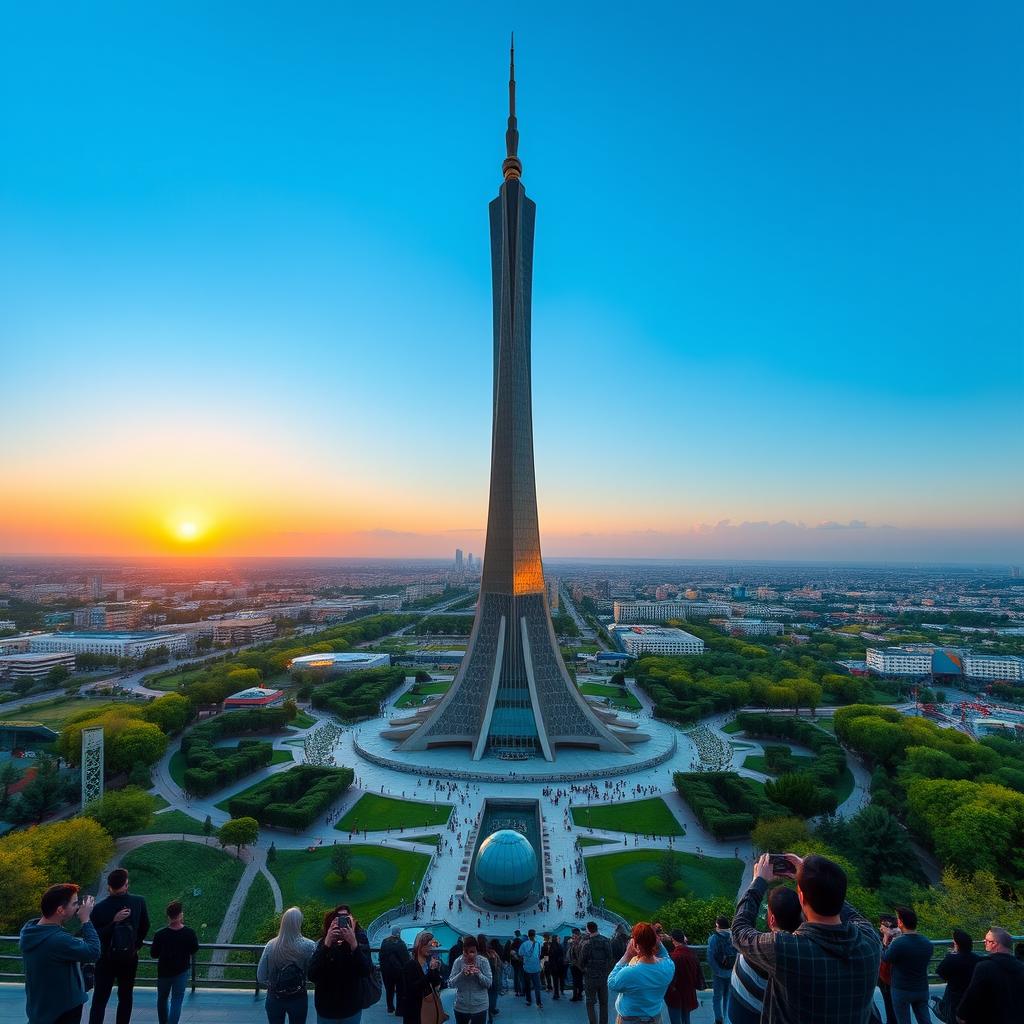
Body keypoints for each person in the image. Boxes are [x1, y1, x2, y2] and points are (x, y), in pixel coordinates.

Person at [730, 853, 881, 1024]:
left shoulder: (788, 949)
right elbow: (849, 912)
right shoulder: (871, 940)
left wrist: (758, 881)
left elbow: (739, 931)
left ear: (801, 897)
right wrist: (813, 880)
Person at [20, 883, 100, 1024]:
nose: (78, 907)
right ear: (60, 910)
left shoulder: (31, 930)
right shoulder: (57, 940)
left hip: (41, 1006)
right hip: (63, 1010)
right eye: (75, 903)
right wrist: (86, 920)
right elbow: (93, 952)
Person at [728, 887, 801, 1024]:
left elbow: (739, 927)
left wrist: (758, 881)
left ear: (771, 919)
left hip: (748, 1015)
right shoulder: (808, 949)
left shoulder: (761, 948)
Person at [89, 868, 151, 1024]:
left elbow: (95, 935)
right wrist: (136, 946)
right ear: (126, 884)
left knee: (99, 1000)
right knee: (125, 997)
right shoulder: (138, 902)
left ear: (109, 886)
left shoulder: (99, 908)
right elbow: (145, 926)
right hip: (129, 958)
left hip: (105, 959)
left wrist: (112, 923)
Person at [307, 904, 372, 1024]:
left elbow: (366, 971)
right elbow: (312, 974)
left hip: (351, 1009)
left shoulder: (360, 940)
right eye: (338, 918)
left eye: (346, 919)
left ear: (353, 922)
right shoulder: (324, 942)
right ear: (333, 922)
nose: (343, 924)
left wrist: (353, 944)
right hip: (326, 1010)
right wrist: (327, 944)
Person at [258, 907, 316, 1024]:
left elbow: (261, 976)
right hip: (298, 998)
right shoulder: (309, 946)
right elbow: (312, 975)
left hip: (275, 997)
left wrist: (274, 984)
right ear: (299, 923)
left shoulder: (271, 945)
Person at [607, 922, 674, 1024]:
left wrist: (627, 955)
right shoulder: (668, 965)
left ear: (635, 944)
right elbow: (664, 954)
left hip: (629, 1019)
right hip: (655, 1018)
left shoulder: (630, 972)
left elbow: (611, 983)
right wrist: (652, 937)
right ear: (656, 941)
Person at [955, 926, 1024, 1024]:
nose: (984, 942)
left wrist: (961, 1015)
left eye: (987, 940)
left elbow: (971, 997)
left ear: (995, 944)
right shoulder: (1020, 967)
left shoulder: (984, 967)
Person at [881, 906, 933, 1024]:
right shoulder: (927, 943)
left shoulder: (898, 943)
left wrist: (885, 938)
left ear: (901, 922)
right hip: (921, 988)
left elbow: (885, 957)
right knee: (925, 1020)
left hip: (901, 989)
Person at [150, 901, 199, 1024]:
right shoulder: (189, 933)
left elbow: (154, 954)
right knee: (177, 1000)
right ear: (181, 915)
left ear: (168, 916)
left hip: (164, 972)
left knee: (162, 999)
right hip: (181, 972)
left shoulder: (160, 934)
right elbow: (194, 949)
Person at [935, 930, 979, 1024]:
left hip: (954, 999)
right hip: (972, 999)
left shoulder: (952, 959)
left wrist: (952, 954)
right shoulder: (977, 959)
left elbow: (940, 972)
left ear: (957, 945)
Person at [400, 931, 444, 1024]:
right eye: (428, 946)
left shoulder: (429, 963)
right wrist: (430, 973)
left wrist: (436, 970)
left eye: (431, 946)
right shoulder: (410, 965)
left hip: (428, 1009)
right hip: (415, 1012)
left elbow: (436, 983)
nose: (430, 948)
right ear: (420, 946)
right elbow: (413, 988)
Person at [448, 936, 493, 1024]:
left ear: (477, 951)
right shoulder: (458, 962)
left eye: (472, 952)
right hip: (461, 1007)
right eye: (466, 952)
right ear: (463, 951)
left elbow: (489, 984)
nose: (469, 955)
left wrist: (479, 974)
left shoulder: (483, 961)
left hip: (479, 1007)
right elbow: (450, 984)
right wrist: (461, 974)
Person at [663, 930, 702, 1024]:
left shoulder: (673, 957)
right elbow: (698, 975)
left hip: (675, 996)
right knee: (686, 1019)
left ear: (673, 940)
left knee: (676, 1020)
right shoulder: (692, 954)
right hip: (688, 993)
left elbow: (670, 978)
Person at [581, 921, 614, 1024]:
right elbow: (610, 958)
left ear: (588, 930)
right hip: (603, 977)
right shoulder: (606, 941)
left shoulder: (587, 944)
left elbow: (582, 961)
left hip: (590, 977)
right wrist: (606, 972)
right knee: (603, 1003)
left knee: (590, 1003)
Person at [706, 915, 736, 1024]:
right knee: (727, 995)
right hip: (731, 972)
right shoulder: (734, 936)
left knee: (717, 997)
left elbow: (710, 957)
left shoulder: (714, 938)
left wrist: (717, 971)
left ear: (718, 926)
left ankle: (719, 1019)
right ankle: (727, 1019)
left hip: (719, 974)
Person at [378, 927, 410, 1015]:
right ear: (399, 933)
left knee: (389, 990)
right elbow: (406, 959)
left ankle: (390, 1008)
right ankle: (399, 1010)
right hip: (399, 972)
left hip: (386, 971)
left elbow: (381, 956)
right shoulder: (401, 944)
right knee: (400, 991)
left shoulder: (384, 942)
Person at [479, 935, 502, 1022]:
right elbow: (499, 965)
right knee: (492, 995)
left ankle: (488, 1012)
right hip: (492, 978)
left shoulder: (476, 954)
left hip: (482, 979)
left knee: (486, 996)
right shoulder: (492, 953)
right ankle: (491, 1011)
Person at [518, 929, 543, 1008]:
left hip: (527, 968)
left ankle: (529, 1000)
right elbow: (539, 955)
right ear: (534, 935)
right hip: (536, 968)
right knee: (537, 986)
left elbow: (520, 954)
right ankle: (538, 1002)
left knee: (528, 985)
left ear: (528, 935)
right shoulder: (538, 944)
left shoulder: (524, 944)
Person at [568, 928, 585, 1001]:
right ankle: (579, 995)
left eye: (573, 934)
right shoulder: (581, 941)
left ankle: (576, 996)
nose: (572, 936)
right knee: (579, 980)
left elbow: (575, 955)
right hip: (579, 965)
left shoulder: (577, 942)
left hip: (575, 965)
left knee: (575, 981)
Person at [546, 934, 565, 1000]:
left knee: (555, 981)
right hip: (560, 966)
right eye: (558, 938)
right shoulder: (560, 946)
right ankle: (561, 990)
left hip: (554, 967)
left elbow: (551, 958)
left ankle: (556, 994)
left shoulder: (551, 947)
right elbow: (562, 956)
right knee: (561, 979)